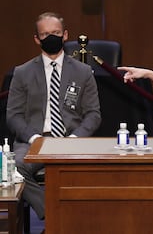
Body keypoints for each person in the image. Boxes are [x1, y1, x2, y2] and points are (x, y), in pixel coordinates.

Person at [6, 12, 101, 222]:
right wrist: (34, 138)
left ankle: (89, 220)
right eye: (46, 34)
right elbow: (13, 115)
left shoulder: (83, 71)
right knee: (14, 169)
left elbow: (93, 114)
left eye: (56, 33)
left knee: (101, 169)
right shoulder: (22, 72)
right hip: (34, 141)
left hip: (72, 140)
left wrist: (74, 139)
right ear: (37, 39)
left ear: (65, 35)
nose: (51, 37)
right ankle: (57, 215)